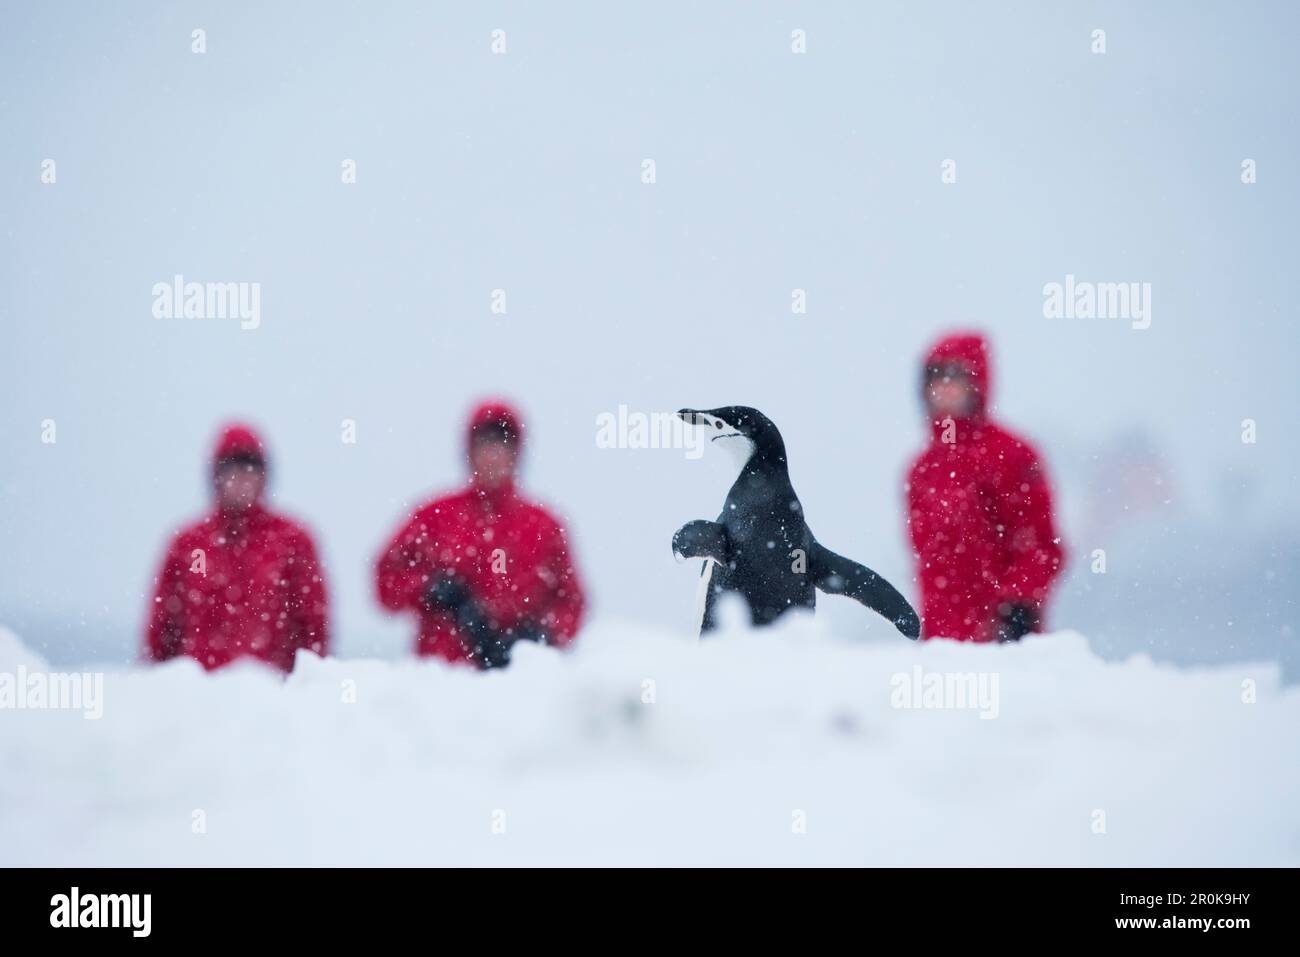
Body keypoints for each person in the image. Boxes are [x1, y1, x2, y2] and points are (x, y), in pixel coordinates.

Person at [375, 400, 586, 668]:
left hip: (518, 681)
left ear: (517, 453)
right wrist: (430, 589)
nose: (494, 455)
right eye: (485, 444)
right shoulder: (435, 517)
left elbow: (572, 602)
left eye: (503, 444)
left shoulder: (545, 525)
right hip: (442, 679)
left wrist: (543, 634)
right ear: (469, 451)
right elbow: (385, 580)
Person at [905, 333, 1065, 642]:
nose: (944, 389)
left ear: (978, 384)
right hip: (941, 646)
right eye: (936, 378)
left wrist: (1019, 603)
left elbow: (1040, 544)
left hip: (1003, 641)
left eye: (956, 378)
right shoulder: (921, 471)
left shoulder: (1012, 455)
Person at [144, 424, 329, 671]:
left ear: (265, 476)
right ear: (216, 476)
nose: (242, 477)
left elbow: (314, 626)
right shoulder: (191, 545)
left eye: (251, 467)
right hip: (199, 696)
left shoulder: (292, 541)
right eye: (232, 467)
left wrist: (302, 687)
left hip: (272, 696)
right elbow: (162, 629)